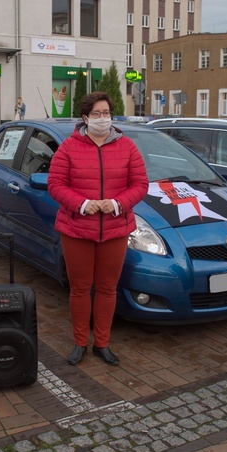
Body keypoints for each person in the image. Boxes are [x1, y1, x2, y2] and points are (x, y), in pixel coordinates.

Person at [48, 92, 149, 366]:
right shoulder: (69, 147)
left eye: (106, 113)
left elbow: (140, 184)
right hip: (77, 228)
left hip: (116, 229)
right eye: (96, 114)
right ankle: (81, 342)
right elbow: (55, 184)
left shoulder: (127, 146)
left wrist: (117, 203)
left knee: (107, 288)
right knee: (80, 288)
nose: (102, 119)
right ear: (85, 118)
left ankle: (102, 343)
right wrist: (82, 204)